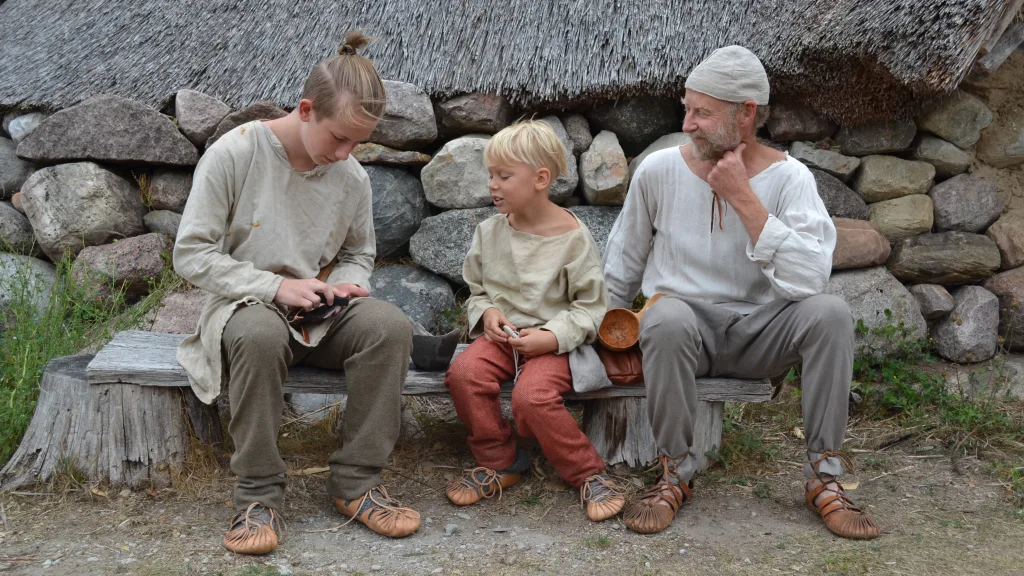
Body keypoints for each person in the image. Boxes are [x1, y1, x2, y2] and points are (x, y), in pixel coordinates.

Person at [604, 46, 879, 540]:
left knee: (831, 313)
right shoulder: (658, 171)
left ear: (746, 113)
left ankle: (824, 478)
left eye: (702, 113)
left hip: (759, 334)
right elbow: (623, 263)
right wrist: (603, 325)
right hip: (681, 330)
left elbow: (809, 278)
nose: (687, 123)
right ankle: (675, 475)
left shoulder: (791, 178)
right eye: (686, 108)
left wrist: (744, 199)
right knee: (664, 317)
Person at [173, 31, 421, 555]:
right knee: (262, 334)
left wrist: (342, 286)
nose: (347, 153)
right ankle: (257, 494)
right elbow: (191, 254)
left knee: (389, 328)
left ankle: (356, 483)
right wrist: (275, 286)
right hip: (244, 306)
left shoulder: (351, 176)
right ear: (306, 110)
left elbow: (359, 253)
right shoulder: (234, 154)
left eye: (360, 142)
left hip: (318, 311)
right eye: (339, 138)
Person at [443, 120, 626, 522]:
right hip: (502, 339)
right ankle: (500, 461)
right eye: (490, 175)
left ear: (541, 178)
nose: (493, 184)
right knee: (464, 373)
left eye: (504, 176)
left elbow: (591, 309)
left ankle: (587, 473)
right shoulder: (489, 232)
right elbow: (478, 291)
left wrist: (550, 336)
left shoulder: (573, 239)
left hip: (554, 344)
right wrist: (488, 313)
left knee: (532, 396)